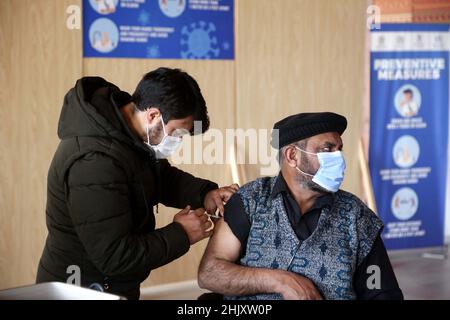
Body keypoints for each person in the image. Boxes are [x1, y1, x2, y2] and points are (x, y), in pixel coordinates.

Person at [36, 68, 238, 299]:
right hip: (79, 289)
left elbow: (161, 178)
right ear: (153, 115)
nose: (177, 141)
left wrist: (205, 193)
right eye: (177, 133)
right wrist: (181, 233)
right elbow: (116, 256)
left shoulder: (126, 136)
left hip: (113, 287)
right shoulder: (93, 162)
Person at [198, 112, 403, 300]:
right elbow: (210, 273)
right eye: (327, 149)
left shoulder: (356, 217)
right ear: (292, 156)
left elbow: (382, 293)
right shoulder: (251, 200)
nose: (338, 159)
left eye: (339, 149)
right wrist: (281, 281)